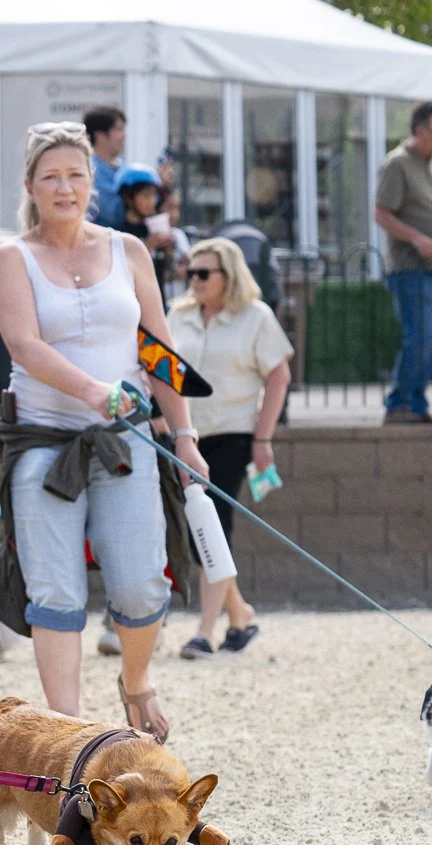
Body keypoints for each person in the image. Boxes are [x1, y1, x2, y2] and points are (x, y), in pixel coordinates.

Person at [0, 121, 209, 744]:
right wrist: (92, 390)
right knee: (56, 589)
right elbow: (25, 345)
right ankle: (72, 734)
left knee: (140, 583)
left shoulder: (129, 251)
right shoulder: (11, 257)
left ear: (93, 184)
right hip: (43, 440)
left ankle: (136, 685)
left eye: (76, 175)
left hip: (126, 440)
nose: (65, 187)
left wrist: (185, 437)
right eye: (51, 176)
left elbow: (159, 349)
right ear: (30, 184)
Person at [166, 238, 292, 658]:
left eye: (204, 273)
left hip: (232, 434)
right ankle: (240, 616)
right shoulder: (177, 315)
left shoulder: (255, 317)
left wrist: (263, 438)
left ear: (229, 275)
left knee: (211, 527)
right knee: (199, 530)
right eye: (191, 272)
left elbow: (279, 377)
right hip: (183, 438)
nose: (195, 280)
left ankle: (205, 631)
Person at [375, 100, 432, 425]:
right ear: (419, 131)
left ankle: (416, 403)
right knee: (421, 336)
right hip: (411, 269)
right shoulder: (397, 164)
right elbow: (381, 213)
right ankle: (399, 403)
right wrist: (418, 238)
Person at [113, 163, 175, 296]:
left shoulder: (154, 228)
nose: (152, 201)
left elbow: (164, 274)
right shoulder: (116, 233)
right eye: (146, 196)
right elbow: (121, 272)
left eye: (154, 195)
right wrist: (148, 245)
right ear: (128, 198)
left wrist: (168, 251)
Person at [82, 105, 127, 229]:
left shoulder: (122, 167)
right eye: (118, 129)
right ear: (99, 135)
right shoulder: (88, 169)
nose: (124, 136)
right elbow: (110, 213)